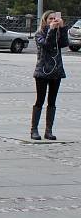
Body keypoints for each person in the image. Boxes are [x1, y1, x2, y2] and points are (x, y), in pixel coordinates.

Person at [31, 10, 69, 140]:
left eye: (55, 18)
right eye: (50, 19)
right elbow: (47, 45)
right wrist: (52, 30)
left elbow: (64, 44)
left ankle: (49, 130)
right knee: (40, 100)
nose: (53, 20)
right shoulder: (39, 34)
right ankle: (34, 130)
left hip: (56, 71)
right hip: (42, 71)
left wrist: (62, 28)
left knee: (52, 101)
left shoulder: (58, 32)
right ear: (45, 20)